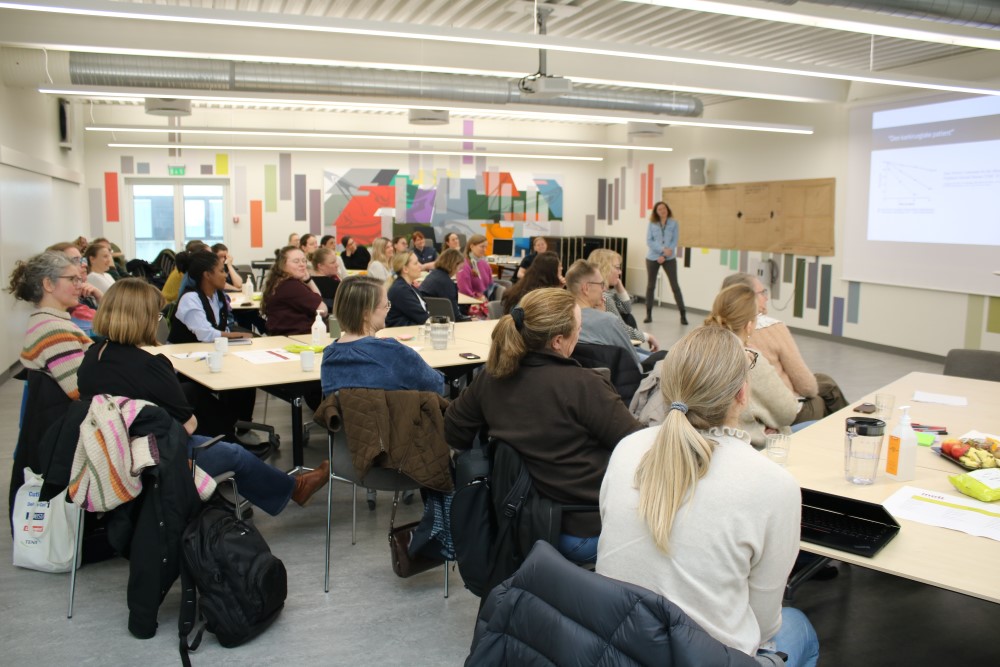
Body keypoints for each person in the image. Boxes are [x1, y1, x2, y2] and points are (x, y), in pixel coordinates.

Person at [597, 326, 819, 667]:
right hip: (706, 657)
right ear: (742, 394)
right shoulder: (775, 486)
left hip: (616, 644)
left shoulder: (627, 449)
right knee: (798, 627)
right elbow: (762, 626)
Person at [77, 279, 329, 516]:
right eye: (156, 315)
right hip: (153, 457)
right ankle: (294, 488)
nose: (158, 321)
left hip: (109, 451)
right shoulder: (150, 365)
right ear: (143, 319)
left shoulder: (92, 357)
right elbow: (188, 426)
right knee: (232, 452)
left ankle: (245, 488)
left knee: (199, 403)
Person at [445, 288, 641, 563]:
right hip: (579, 530)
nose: (579, 336)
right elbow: (639, 449)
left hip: (516, 525)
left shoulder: (492, 378)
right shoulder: (584, 386)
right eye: (579, 330)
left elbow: (454, 431)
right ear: (558, 341)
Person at [321, 275, 444, 509]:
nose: (389, 310)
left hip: (352, 460)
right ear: (366, 313)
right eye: (386, 305)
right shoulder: (393, 353)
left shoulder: (329, 356)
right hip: (407, 460)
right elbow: (437, 386)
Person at [722, 273, 847, 422]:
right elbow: (806, 387)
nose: (766, 298)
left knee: (826, 382)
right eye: (762, 293)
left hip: (743, 413)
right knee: (821, 399)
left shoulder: (710, 332)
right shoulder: (769, 331)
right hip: (776, 412)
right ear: (748, 297)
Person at [705, 284, 799, 448]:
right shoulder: (751, 360)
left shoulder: (697, 350)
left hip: (706, 443)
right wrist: (762, 424)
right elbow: (788, 412)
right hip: (750, 447)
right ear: (749, 325)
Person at [8, 252, 92, 399]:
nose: (79, 286)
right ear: (48, 284)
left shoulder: (45, 322)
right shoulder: (55, 331)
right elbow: (81, 391)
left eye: (79, 279)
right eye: (72, 279)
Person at [565, 259, 642, 373]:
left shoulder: (560, 319)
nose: (605, 289)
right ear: (586, 288)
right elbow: (635, 365)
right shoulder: (608, 321)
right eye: (601, 284)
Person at [170, 252, 252, 344]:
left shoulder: (217, 295)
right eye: (221, 271)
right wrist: (240, 336)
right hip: (184, 351)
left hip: (210, 349)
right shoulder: (190, 299)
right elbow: (206, 334)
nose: (226, 275)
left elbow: (222, 328)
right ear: (207, 275)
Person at [590, 248, 660, 352]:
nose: (620, 272)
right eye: (617, 268)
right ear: (605, 268)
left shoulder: (602, 293)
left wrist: (619, 286)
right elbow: (622, 329)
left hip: (602, 346)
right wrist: (648, 337)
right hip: (610, 348)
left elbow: (627, 309)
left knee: (628, 317)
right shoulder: (604, 297)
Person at [260, 246, 327, 335]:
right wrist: (309, 282)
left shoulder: (281, 282)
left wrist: (308, 280)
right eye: (296, 261)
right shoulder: (291, 286)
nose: (302, 264)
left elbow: (318, 300)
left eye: (304, 261)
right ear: (283, 265)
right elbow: (322, 310)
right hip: (297, 338)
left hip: (290, 337)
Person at [644, 201, 687, 325]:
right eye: (659, 209)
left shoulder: (674, 223)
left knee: (675, 286)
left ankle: (683, 315)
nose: (662, 211)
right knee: (651, 286)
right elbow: (649, 241)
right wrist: (662, 251)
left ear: (667, 209)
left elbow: (674, 240)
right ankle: (648, 315)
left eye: (664, 208)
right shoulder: (652, 223)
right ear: (656, 212)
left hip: (669, 258)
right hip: (653, 257)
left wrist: (665, 255)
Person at [46, 242, 104, 332]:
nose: (84, 264)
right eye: (76, 260)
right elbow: (116, 326)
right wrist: (101, 298)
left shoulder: (85, 295)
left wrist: (100, 297)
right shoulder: (72, 307)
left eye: (83, 259)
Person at [418, 248, 467, 321]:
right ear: (454, 265)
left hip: (429, 318)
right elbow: (456, 316)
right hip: (445, 321)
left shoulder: (432, 275)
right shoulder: (447, 283)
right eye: (459, 268)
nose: (458, 271)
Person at [385, 250, 430, 327]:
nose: (420, 266)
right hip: (402, 333)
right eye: (416, 263)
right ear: (405, 269)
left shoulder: (408, 286)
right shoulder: (401, 290)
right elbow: (423, 319)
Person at [456, 234, 495, 301]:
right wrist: (478, 298)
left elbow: (491, 285)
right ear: (472, 246)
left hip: (485, 300)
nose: (484, 250)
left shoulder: (485, 264)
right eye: (482, 247)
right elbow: (464, 291)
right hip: (471, 302)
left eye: (486, 247)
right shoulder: (463, 265)